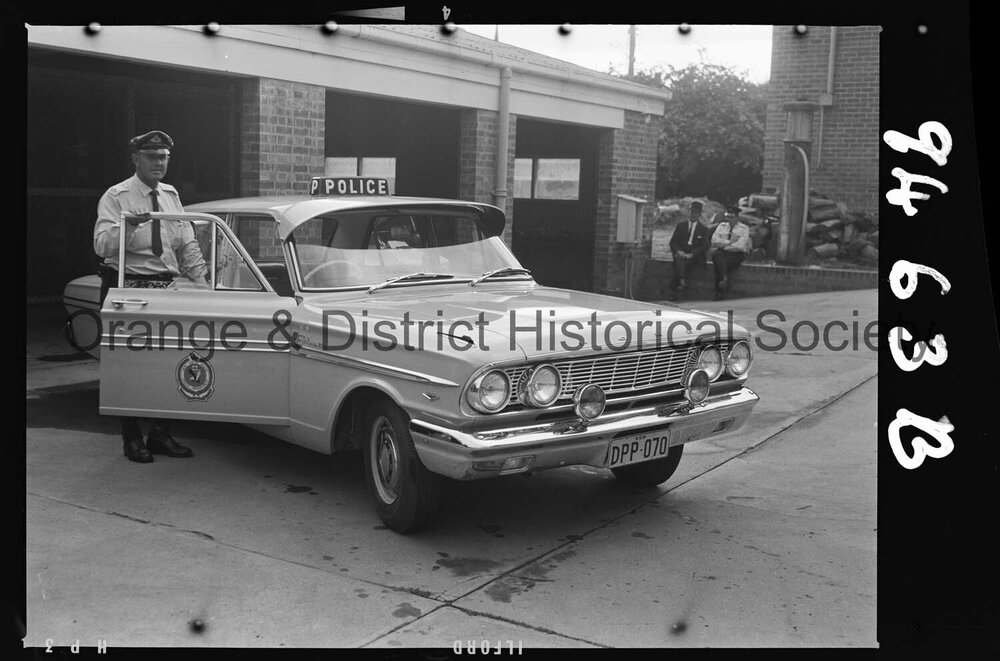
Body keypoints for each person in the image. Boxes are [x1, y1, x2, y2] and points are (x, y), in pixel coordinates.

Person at [94, 130, 209, 463]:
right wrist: (129, 226)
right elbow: (101, 246)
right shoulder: (117, 196)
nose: (159, 163)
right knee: (128, 365)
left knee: (169, 362)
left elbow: (186, 242)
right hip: (128, 288)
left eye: (164, 158)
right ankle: (132, 438)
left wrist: (202, 284)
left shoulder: (171, 195)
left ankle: (160, 434)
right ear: (136, 159)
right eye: (152, 157)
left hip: (165, 288)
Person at [667, 201, 710, 300]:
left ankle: (676, 286)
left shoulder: (704, 229)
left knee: (680, 262)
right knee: (680, 259)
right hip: (682, 253)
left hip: (694, 256)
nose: (693, 214)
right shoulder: (680, 226)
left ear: (699, 214)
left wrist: (692, 254)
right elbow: (673, 242)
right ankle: (681, 280)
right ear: (689, 212)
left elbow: (705, 246)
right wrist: (678, 251)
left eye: (696, 213)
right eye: (692, 212)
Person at [710, 206, 751, 301]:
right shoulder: (722, 226)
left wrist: (724, 246)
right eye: (727, 217)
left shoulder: (744, 228)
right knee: (717, 256)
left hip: (736, 254)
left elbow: (740, 246)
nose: (729, 220)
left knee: (719, 262)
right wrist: (729, 242)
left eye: (731, 217)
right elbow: (714, 240)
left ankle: (719, 291)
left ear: (736, 217)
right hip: (722, 253)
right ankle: (723, 278)